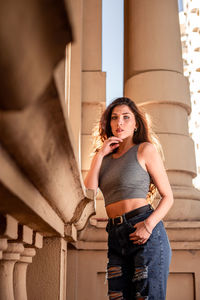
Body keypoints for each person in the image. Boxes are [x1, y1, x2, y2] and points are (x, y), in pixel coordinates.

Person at [84, 97, 173, 300]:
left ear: (136, 124)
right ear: (109, 124)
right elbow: (89, 190)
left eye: (126, 117)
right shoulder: (104, 159)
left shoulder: (144, 150)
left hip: (145, 231)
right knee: (118, 297)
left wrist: (148, 225)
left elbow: (168, 197)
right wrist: (99, 154)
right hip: (116, 236)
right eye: (114, 118)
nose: (119, 122)